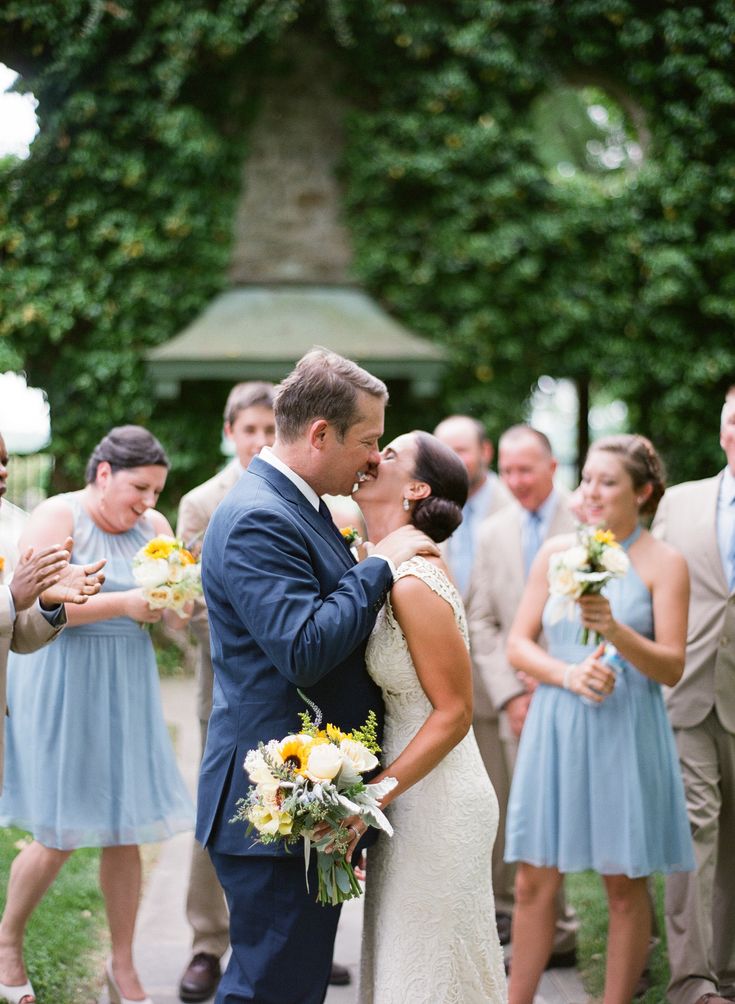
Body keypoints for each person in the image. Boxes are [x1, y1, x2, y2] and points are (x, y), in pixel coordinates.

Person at [197, 349, 437, 1004]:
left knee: (292, 988)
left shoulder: (297, 505)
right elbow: (302, 648)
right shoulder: (259, 518)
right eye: (367, 440)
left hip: (310, 796)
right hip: (274, 801)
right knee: (267, 991)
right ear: (319, 434)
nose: (372, 458)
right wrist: (380, 563)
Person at [0, 425, 195, 1004]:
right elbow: (27, 610)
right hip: (59, 674)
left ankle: (123, 966)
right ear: (104, 473)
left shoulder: (155, 529)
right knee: (57, 830)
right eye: (141, 488)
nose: (149, 503)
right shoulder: (58, 517)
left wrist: (176, 605)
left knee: (125, 827)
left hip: (126, 681)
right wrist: (126, 603)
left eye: (158, 492)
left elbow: (172, 617)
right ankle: (8, 942)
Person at [505, 433, 695, 1004]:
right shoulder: (554, 553)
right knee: (533, 878)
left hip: (624, 728)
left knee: (623, 881)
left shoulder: (666, 563)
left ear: (643, 493)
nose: (590, 492)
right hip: (557, 724)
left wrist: (614, 630)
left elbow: (671, 667)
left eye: (606, 482)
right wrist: (565, 676)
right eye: (586, 479)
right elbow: (518, 644)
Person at [351, 430, 507, 1004]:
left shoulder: (415, 581)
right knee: (406, 964)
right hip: (405, 793)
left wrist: (371, 797)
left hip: (438, 801)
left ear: (417, 487)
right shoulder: (383, 561)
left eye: (388, 453)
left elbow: (456, 712)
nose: (372, 457)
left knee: (431, 973)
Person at [176, 381, 275, 1004]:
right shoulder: (201, 502)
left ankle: (273, 938)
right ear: (229, 431)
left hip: (294, 677)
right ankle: (207, 943)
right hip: (226, 679)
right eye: (250, 431)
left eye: (271, 430)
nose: (261, 442)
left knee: (290, 789)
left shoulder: (306, 491)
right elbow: (185, 607)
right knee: (218, 806)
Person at [466, 425, 578, 958]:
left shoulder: (586, 517)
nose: (516, 481)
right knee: (526, 818)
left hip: (583, 692)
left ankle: (632, 939)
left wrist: (557, 670)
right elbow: (482, 621)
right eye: (508, 471)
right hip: (520, 702)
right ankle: (551, 935)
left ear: (552, 467)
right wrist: (512, 693)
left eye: (526, 469)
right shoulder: (492, 530)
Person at [652, 388, 735, 1004]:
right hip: (686, 688)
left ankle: (727, 969)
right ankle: (694, 981)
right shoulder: (679, 503)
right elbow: (648, 586)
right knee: (695, 831)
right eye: (733, 421)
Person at [0, 432, 106, 796]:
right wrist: (12, 595)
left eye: (5, 462)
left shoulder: (7, 532)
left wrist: (45, 601)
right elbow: (7, 604)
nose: (3, 473)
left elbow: (15, 638)